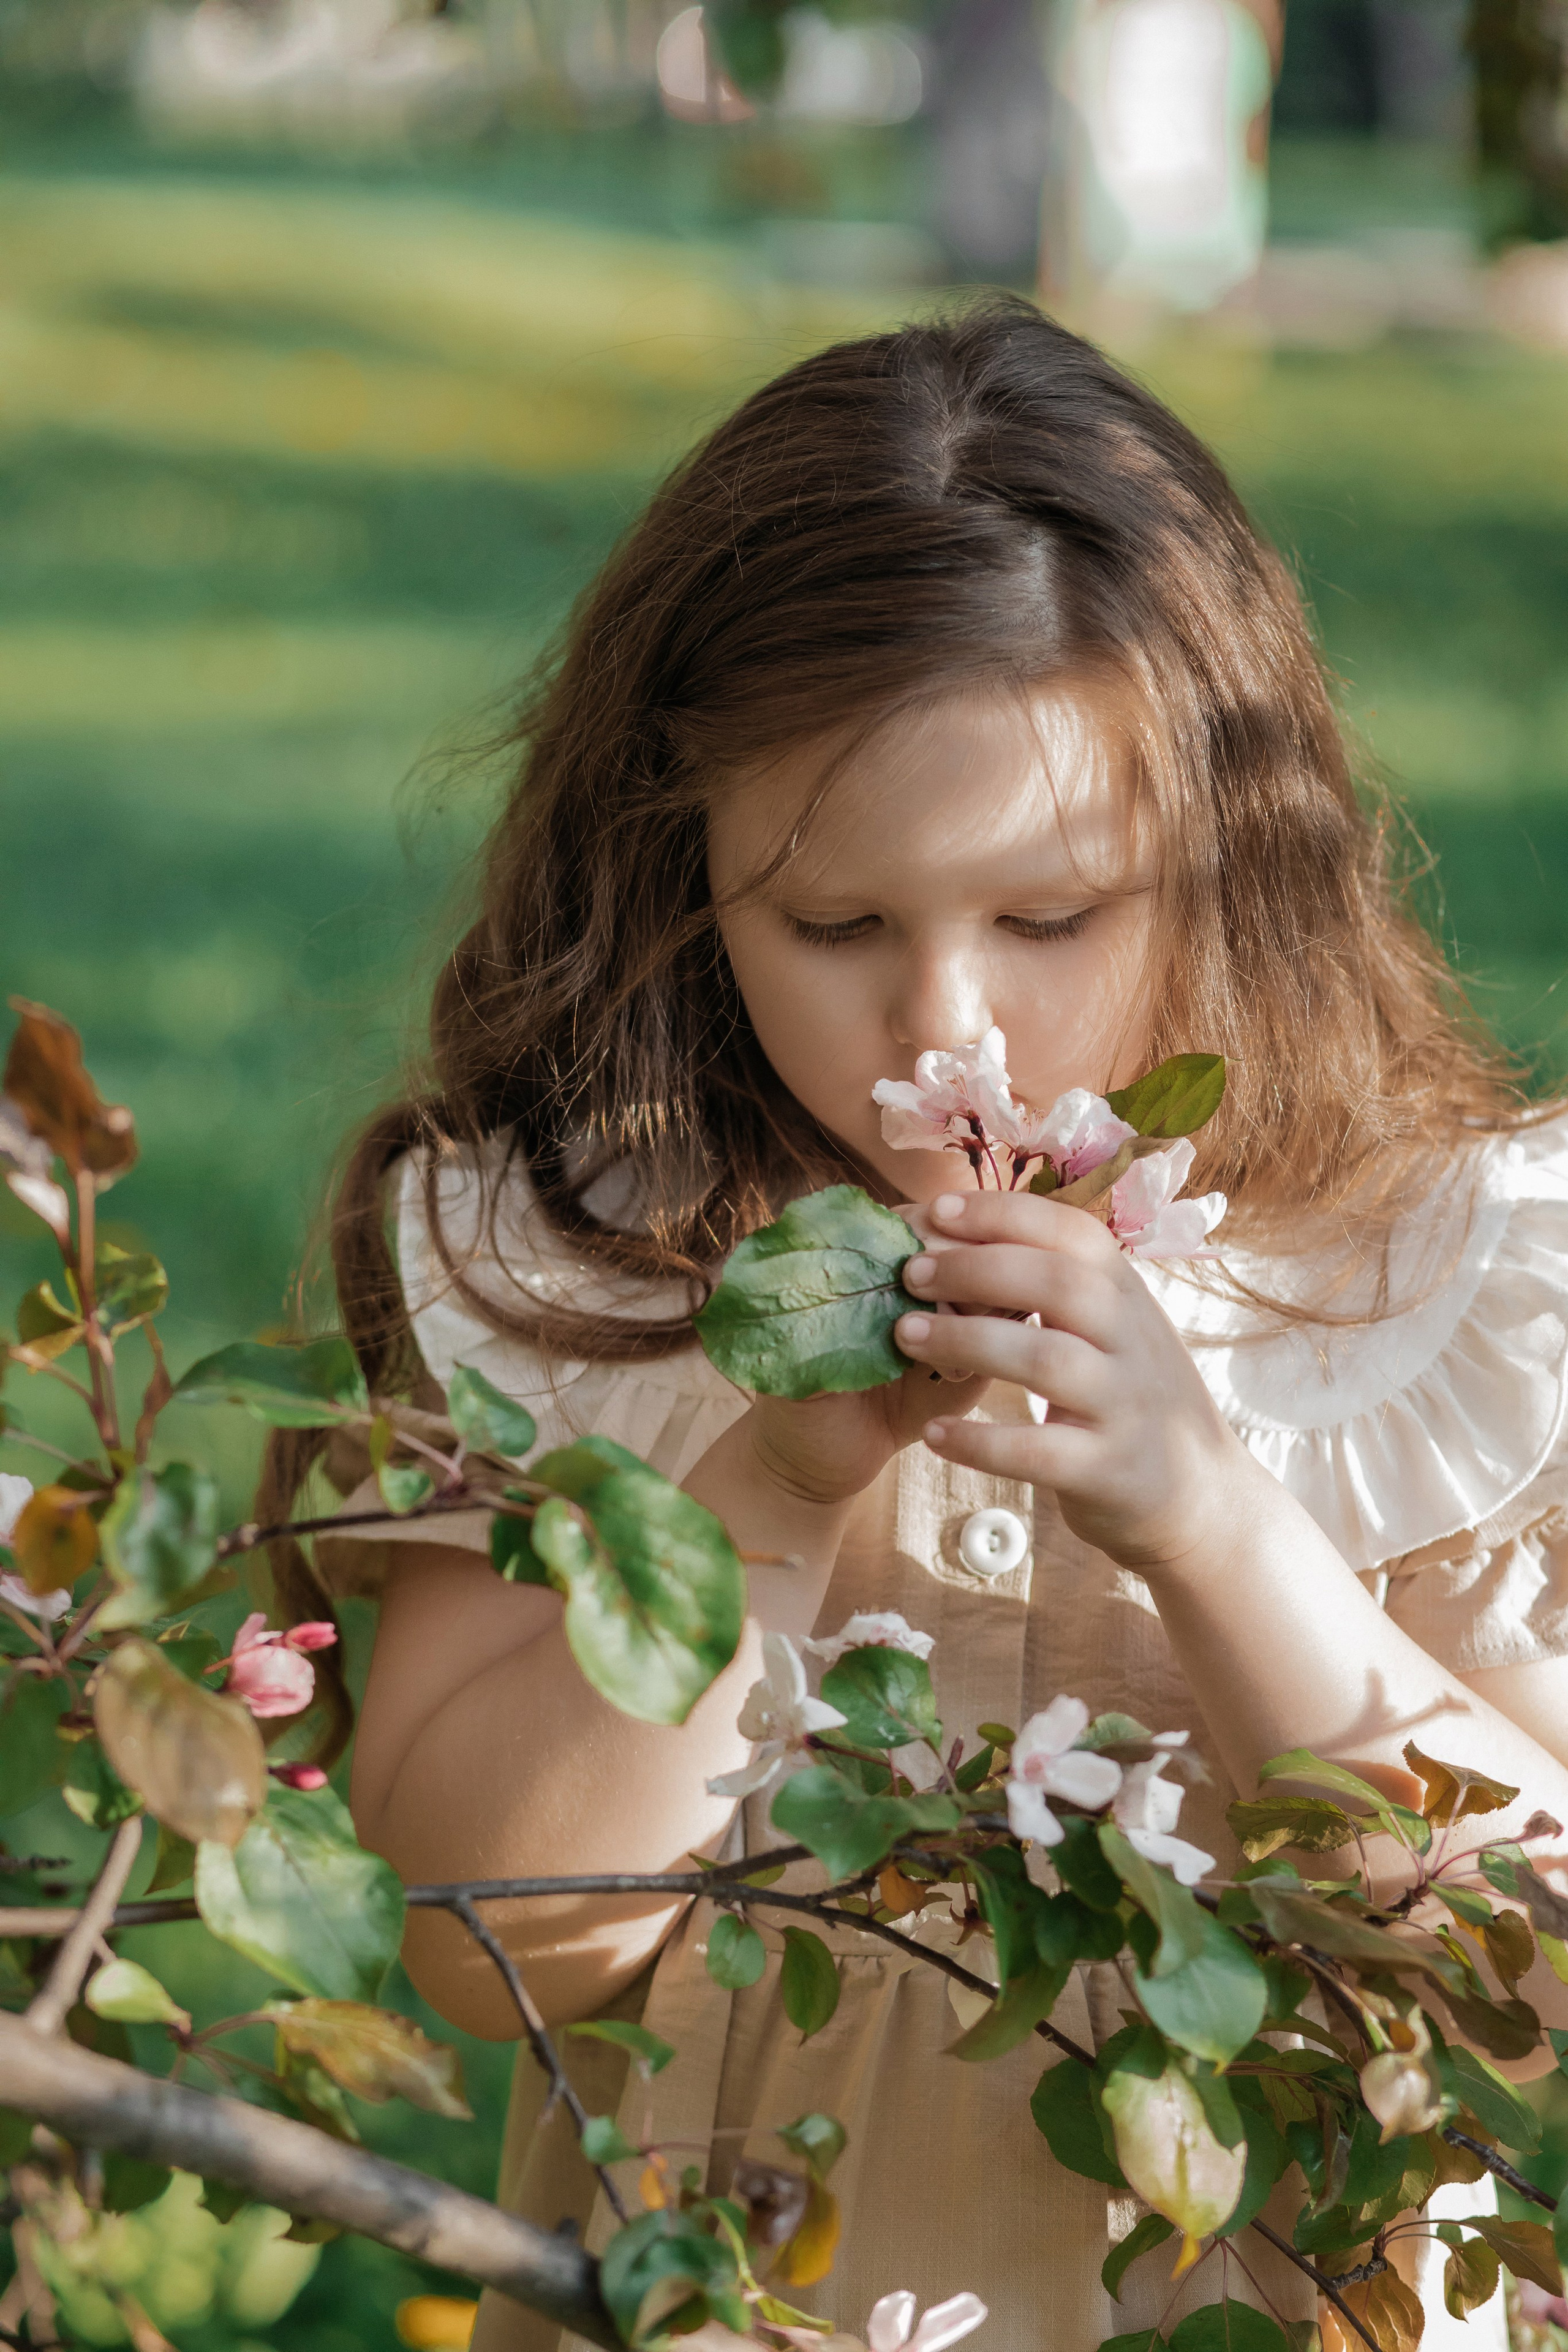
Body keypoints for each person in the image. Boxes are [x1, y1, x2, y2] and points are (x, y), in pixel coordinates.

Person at [289, 301, 1568, 2352]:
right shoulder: (569, 1270)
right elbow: (485, 1936)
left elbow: (1526, 1991)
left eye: (1053, 917)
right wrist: (764, 1487)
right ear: (675, 862)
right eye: (837, 925)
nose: (946, 1027)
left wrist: (1214, 1526)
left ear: (1238, 864)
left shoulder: (1418, 1292)